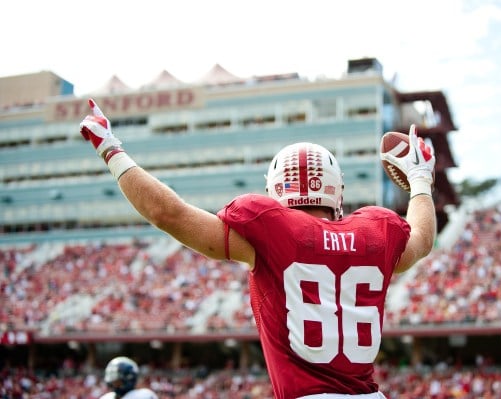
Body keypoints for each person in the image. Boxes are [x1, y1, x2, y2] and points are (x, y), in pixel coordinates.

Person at [80, 98, 436, 399]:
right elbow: (421, 239)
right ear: (337, 192)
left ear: (276, 192)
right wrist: (421, 181)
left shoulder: (271, 230)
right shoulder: (375, 233)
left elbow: (167, 214)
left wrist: (111, 149)